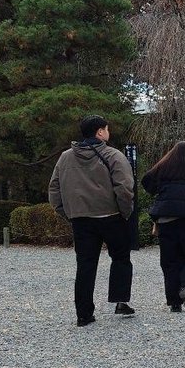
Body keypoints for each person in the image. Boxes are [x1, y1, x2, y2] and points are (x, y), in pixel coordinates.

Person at [48, 115, 136, 327]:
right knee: (121, 258)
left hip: (81, 219)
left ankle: (84, 314)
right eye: (107, 129)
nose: (108, 132)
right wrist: (125, 212)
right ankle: (120, 301)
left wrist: (67, 212)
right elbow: (124, 187)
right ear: (99, 132)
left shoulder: (65, 158)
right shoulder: (112, 155)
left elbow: (54, 189)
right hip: (111, 216)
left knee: (85, 265)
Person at [141, 141, 185, 313]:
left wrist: (160, 191)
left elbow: (146, 182)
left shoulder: (163, 168)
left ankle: (174, 302)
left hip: (166, 219)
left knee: (169, 261)